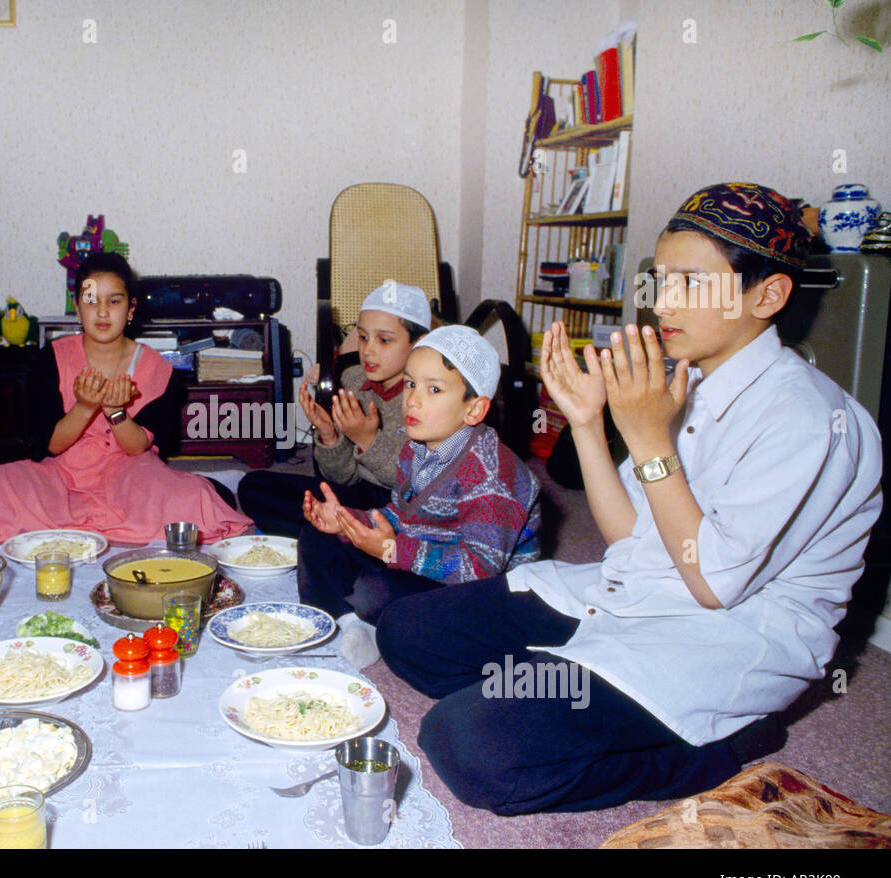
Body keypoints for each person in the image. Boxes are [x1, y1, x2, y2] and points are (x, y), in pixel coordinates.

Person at [377, 182, 883, 815]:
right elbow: (626, 538)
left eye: (691, 283)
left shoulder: (812, 418)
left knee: (465, 742)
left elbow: (715, 585)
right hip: (635, 590)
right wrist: (588, 425)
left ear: (769, 295)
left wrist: (646, 438)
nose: (663, 302)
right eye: (661, 279)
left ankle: (718, 745)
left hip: (725, 635)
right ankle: (558, 686)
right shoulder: (685, 380)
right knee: (404, 633)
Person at [0, 252, 252, 546]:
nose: (103, 312)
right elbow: (51, 444)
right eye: (91, 301)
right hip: (59, 477)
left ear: (131, 309)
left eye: (114, 301)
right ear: (78, 309)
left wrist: (116, 412)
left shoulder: (159, 370)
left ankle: (74, 525)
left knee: (199, 502)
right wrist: (85, 407)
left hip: (128, 476)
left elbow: (137, 448)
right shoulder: (51, 358)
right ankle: (104, 521)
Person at [297, 326, 541, 651]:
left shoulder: (492, 474)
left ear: (475, 409)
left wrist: (394, 551)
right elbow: (399, 516)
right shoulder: (415, 449)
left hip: (488, 590)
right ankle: (349, 622)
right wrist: (348, 520)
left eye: (434, 390)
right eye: (411, 384)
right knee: (316, 538)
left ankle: (371, 620)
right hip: (424, 555)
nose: (412, 400)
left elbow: (480, 570)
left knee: (376, 590)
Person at [237, 281, 430, 537]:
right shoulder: (353, 380)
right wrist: (330, 436)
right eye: (362, 337)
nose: (368, 350)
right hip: (355, 497)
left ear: (418, 344)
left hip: (401, 504)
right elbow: (342, 480)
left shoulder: (427, 396)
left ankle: (342, 537)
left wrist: (368, 440)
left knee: (414, 525)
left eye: (384, 340)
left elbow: (418, 483)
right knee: (254, 486)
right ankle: (340, 535)